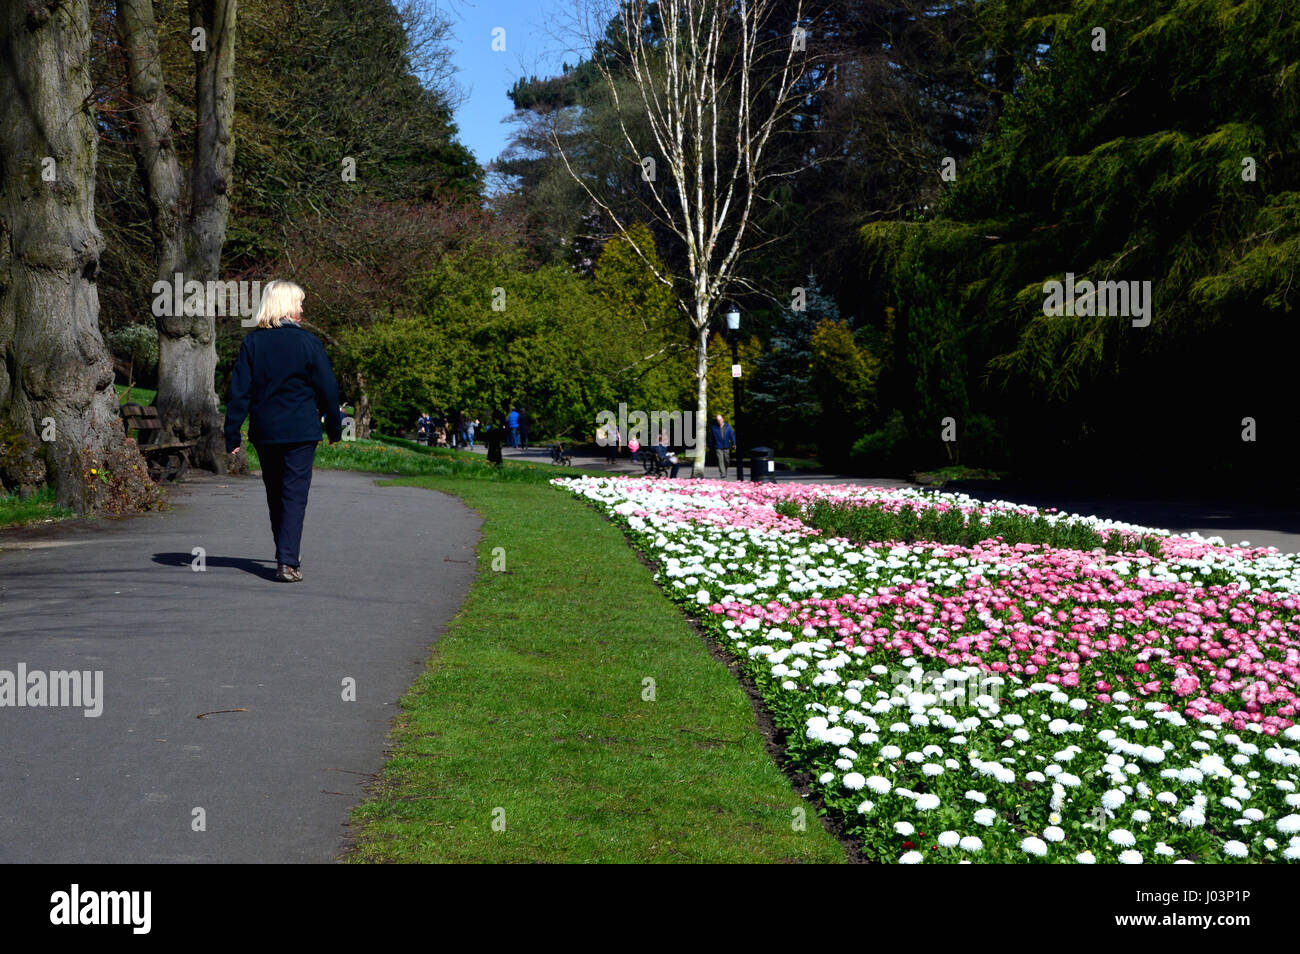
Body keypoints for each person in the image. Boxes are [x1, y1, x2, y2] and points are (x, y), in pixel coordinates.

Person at [225, 279, 343, 583]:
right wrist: (334, 427)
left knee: (275, 494)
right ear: (287, 306)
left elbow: (240, 392)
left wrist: (232, 433)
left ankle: (286, 552)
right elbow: (328, 390)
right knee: (294, 495)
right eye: (299, 302)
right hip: (301, 431)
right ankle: (287, 560)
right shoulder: (309, 343)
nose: (303, 308)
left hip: (266, 431)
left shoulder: (253, 344)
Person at [708, 413, 737, 480]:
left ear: (723, 419)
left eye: (720, 419)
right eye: (718, 420)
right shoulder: (714, 428)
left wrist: (734, 443)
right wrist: (711, 447)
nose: (719, 421)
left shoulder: (728, 427)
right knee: (720, 460)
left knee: (727, 460)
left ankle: (724, 470)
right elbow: (711, 439)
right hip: (718, 447)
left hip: (726, 446)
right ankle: (723, 473)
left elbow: (732, 435)